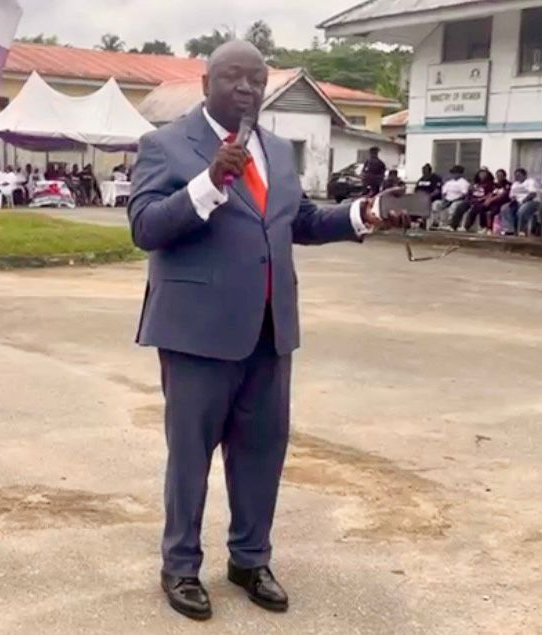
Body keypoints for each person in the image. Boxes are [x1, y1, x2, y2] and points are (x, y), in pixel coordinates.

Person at [128, 40, 406, 622]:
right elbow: (146, 227)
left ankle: (250, 559)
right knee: (190, 457)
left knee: (262, 452)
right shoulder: (165, 144)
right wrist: (208, 182)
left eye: (257, 80)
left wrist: (365, 213)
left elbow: (298, 220)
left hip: (270, 329)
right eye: (233, 77)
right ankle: (180, 566)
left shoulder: (276, 150)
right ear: (206, 83)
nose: (247, 88)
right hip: (196, 333)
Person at [500, 168, 540, 236]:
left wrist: (523, 201)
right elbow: (512, 195)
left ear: (524, 175)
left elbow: (533, 194)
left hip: (531, 201)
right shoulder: (515, 184)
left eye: (519, 175)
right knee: (504, 208)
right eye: (516, 176)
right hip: (517, 202)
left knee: (522, 210)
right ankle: (509, 229)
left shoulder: (530, 181)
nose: (517, 177)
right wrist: (513, 200)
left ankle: (522, 230)